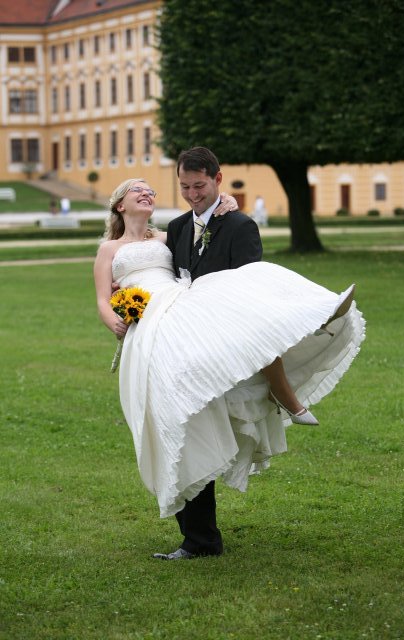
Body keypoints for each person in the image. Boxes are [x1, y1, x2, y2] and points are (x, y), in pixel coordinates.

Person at [94, 147, 365, 561]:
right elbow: (105, 294)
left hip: (194, 317)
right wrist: (117, 311)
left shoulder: (186, 231)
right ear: (120, 204)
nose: (191, 194)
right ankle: (199, 537)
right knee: (178, 416)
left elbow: (251, 288)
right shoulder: (174, 229)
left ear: (217, 180)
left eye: (199, 186)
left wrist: (228, 205)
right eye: (184, 187)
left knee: (250, 290)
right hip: (155, 327)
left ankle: (320, 312)